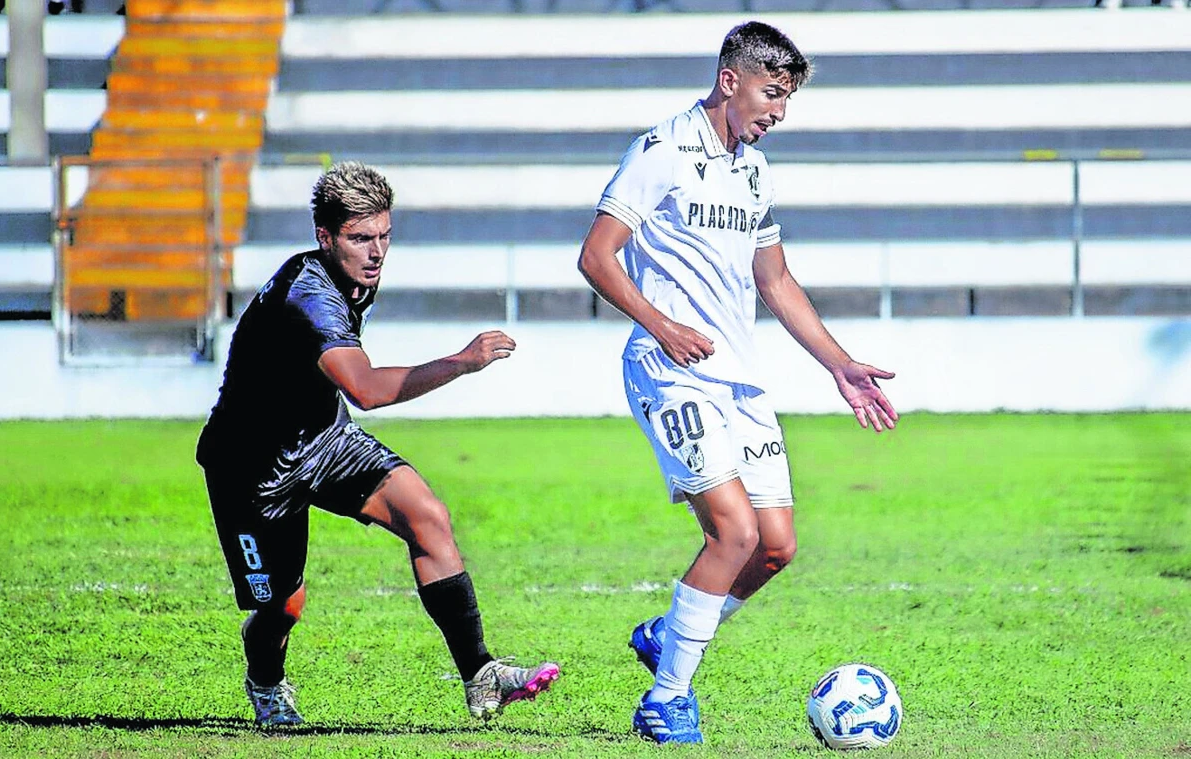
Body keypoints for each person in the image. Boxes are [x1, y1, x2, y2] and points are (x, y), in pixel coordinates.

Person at [577, 21, 898, 744]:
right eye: (772, 93)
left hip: (740, 382)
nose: (779, 112)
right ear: (731, 80)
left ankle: (674, 629)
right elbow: (596, 257)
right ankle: (666, 698)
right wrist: (662, 324)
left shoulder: (753, 170)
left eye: (786, 99)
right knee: (734, 530)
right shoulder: (660, 151)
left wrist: (838, 363)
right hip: (670, 369)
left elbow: (774, 280)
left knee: (775, 545)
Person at [196, 161, 559, 728]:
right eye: (361, 238)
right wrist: (460, 363)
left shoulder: (353, 279)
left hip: (325, 440)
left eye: (384, 235)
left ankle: (480, 674)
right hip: (251, 470)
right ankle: (265, 680)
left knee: (427, 516)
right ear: (325, 236)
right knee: (282, 607)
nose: (377, 251)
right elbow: (363, 388)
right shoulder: (309, 296)